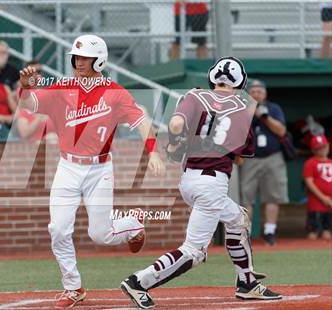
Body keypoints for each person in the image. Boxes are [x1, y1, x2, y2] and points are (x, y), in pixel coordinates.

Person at [120, 57, 281, 309]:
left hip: (190, 179)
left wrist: (175, 142)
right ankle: (139, 281)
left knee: (238, 219)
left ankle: (247, 282)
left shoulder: (195, 96)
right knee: (194, 252)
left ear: (213, 77)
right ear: (240, 82)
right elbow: (238, 160)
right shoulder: (242, 107)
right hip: (212, 182)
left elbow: (175, 124)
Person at [18, 34, 165, 308]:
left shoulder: (115, 93)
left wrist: (153, 152)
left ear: (100, 60)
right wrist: (25, 87)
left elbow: (143, 122)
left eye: (85, 57)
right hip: (67, 166)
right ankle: (73, 287)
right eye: (76, 57)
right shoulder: (62, 88)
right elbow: (29, 105)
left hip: (100, 169)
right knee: (58, 229)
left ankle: (133, 222)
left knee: (101, 235)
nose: (79, 62)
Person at [240, 79, 288, 246]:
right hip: (250, 158)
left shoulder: (273, 108)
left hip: (272, 157)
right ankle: (246, 234)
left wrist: (264, 117)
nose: (256, 94)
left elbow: (282, 131)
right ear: (248, 94)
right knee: (246, 197)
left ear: (265, 93)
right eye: (253, 91)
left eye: (259, 91)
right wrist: (251, 113)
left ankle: (269, 232)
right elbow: (237, 130)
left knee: (272, 196)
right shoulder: (243, 108)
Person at [303, 134, 332, 240]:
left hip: (330, 206)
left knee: (327, 234)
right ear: (313, 150)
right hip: (316, 206)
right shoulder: (310, 163)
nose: (322, 150)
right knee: (313, 234)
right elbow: (309, 183)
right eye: (318, 148)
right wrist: (324, 198)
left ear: (328, 146)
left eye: (324, 146)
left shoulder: (330, 162)